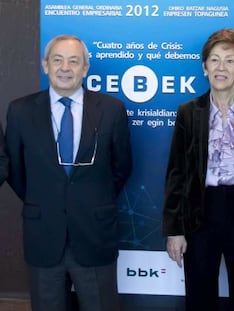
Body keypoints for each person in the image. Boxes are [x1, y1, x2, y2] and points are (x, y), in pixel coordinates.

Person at [5, 34, 132, 311]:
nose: (65, 68)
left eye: (74, 61)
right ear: (45, 65)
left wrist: (89, 198)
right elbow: (15, 170)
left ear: (85, 68)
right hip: (43, 235)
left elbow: (121, 167)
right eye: (58, 60)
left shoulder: (111, 110)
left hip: (95, 233)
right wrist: (48, 197)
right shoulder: (20, 111)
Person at [162, 28, 234, 311]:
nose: (221, 67)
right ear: (204, 68)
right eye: (214, 60)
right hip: (200, 213)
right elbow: (176, 172)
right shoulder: (188, 112)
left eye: (229, 60)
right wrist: (174, 230)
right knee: (200, 296)